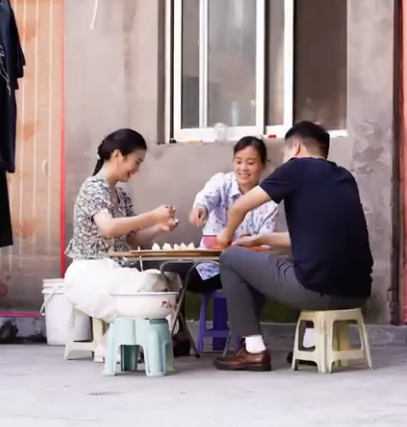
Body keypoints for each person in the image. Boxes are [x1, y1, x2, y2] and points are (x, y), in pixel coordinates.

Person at [214, 121, 373, 372]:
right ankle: (309, 344)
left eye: (284, 152)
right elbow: (315, 237)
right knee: (300, 263)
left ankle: (253, 350)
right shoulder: (344, 177)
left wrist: (225, 236)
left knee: (231, 258)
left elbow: (240, 206)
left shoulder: (296, 168)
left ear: (296, 146)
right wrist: (260, 239)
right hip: (357, 292)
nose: (284, 158)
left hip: (317, 291)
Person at [64, 129, 181, 335]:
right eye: (137, 162)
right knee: (151, 283)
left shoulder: (122, 195)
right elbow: (108, 227)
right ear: (117, 155)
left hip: (115, 272)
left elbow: (131, 239)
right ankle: (121, 342)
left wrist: (159, 228)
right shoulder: (93, 188)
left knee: (165, 279)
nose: (137, 169)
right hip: (89, 274)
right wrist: (153, 216)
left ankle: (129, 341)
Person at [170, 136, 279, 356]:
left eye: (251, 162)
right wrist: (200, 208)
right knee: (169, 273)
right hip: (209, 269)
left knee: (254, 284)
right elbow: (206, 198)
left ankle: (248, 344)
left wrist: (254, 240)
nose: (243, 168)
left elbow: (267, 240)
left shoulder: (269, 201)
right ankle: (178, 335)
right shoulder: (222, 183)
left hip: (244, 271)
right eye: (239, 161)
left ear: (263, 165)